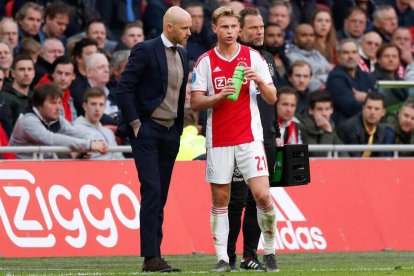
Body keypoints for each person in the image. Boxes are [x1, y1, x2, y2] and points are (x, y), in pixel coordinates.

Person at [191, 6, 279, 273]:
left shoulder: (253, 57)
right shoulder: (205, 61)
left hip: (250, 139)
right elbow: (195, 102)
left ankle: (271, 252)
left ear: (239, 30)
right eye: (224, 27)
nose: (230, 32)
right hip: (218, 140)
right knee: (221, 200)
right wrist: (218, 96)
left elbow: (273, 97)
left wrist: (260, 82)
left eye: (233, 27)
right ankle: (222, 259)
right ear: (214, 29)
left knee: (263, 195)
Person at [115, 6, 191, 273]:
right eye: (185, 28)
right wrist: (136, 124)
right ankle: (151, 257)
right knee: (152, 191)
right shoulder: (145, 49)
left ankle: (155, 255)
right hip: (147, 131)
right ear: (169, 27)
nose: (189, 33)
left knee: (161, 195)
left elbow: (179, 95)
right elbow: (124, 88)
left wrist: (179, 127)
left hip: (171, 133)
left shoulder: (183, 53)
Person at [227, 7, 282, 271]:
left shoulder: (268, 58)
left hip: (267, 139)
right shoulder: (231, 58)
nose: (260, 31)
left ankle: (250, 255)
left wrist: (277, 134)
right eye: (254, 28)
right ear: (240, 30)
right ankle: (227, 256)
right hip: (240, 137)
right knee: (235, 200)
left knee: (257, 200)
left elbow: (273, 100)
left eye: (261, 27)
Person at [9, 83, 108, 159]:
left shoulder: (57, 119)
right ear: (39, 105)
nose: (58, 108)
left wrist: (93, 142)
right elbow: (50, 138)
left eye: (59, 103)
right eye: (53, 103)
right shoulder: (27, 120)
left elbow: (76, 133)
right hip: (20, 170)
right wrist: (88, 145)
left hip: (46, 167)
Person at [326, 39, 376, 124]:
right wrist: (371, 98)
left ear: (359, 56)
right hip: (345, 126)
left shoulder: (364, 75)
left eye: (354, 52)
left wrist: (366, 97)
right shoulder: (335, 77)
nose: (351, 56)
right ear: (338, 56)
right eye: (346, 53)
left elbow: (379, 101)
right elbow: (351, 107)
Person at [337, 91, 394, 157]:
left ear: (383, 112)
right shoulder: (350, 128)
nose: (372, 112)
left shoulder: (381, 130)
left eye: (377, 109)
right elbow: (356, 159)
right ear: (363, 108)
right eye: (369, 108)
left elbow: (382, 159)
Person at [74, 87, 124, 160]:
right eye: (93, 104)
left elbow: (120, 158)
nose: (97, 109)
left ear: (104, 107)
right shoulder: (74, 129)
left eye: (101, 105)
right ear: (84, 106)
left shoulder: (109, 132)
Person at [298, 90, 346, 157]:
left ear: (332, 110)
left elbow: (343, 153)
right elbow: (320, 156)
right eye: (320, 109)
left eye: (327, 109)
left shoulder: (330, 124)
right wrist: (327, 132)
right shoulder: (304, 126)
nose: (324, 113)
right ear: (311, 110)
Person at [287, 24, 332, 92]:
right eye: (304, 35)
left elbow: (331, 72)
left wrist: (318, 77)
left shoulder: (317, 54)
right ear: (295, 39)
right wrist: (326, 77)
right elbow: (307, 79)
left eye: (311, 35)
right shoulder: (291, 57)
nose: (309, 38)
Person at [36, 55, 77, 122]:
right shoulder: (42, 96)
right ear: (52, 73)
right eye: (59, 73)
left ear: (73, 76)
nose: (63, 78)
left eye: (67, 74)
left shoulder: (68, 96)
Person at [2, 54, 35, 129]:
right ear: (13, 73)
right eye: (22, 69)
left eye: (29, 69)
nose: (26, 73)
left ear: (34, 73)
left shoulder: (36, 96)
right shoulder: (4, 98)